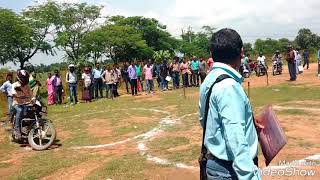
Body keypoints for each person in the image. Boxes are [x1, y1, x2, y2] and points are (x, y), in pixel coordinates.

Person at [199, 28, 262, 180]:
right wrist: (249, 176)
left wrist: (250, 127)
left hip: (217, 165)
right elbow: (236, 138)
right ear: (241, 52)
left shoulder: (211, 78)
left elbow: (206, 121)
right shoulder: (229, 86)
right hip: (229, 171)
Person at [12, 70, 34, 139]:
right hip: (17, 104)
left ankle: (30, 127)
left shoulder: (27, 85)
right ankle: (17, 130)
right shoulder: (15, 85)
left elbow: (31, 94)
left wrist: (33, 98)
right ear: (19, 78)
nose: (25, 79)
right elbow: (13, 93)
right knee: (20, 110)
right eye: (23, 78)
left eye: (26, 78)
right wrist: (19, 96)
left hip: (26, 103)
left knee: (33, 110)